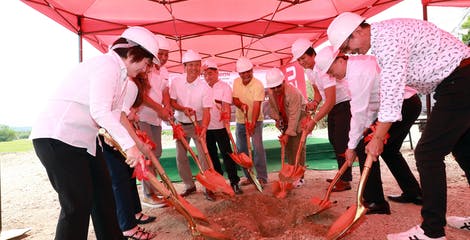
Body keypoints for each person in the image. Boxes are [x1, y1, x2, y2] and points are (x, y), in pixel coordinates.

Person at [327, 12, 470, 240]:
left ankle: (432, 231)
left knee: (427, 153)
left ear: (357, 32)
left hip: (460, 81)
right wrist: (378, 133)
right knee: (465, 152)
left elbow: (392, 92)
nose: (349, 53)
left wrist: (377, 137)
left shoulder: (387, 39)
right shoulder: (386, 35)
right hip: (460, 80)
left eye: (347, 46)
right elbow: (389, 89)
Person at [30, 26, 159, 240]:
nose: (147, 71)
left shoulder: (122, 77)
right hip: (58, 138)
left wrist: (137, 144)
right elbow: (100, 111)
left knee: (103, 198)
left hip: (85, 142)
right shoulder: (106, 66)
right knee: (77, 206)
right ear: (135, 53)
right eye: (147, 64)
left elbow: (117, 114)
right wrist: (130, 146)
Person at [315, 46, 423, 215]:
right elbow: (370, 108)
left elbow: (358, 112)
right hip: (405, 104)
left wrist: (351, 146)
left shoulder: (358, 72)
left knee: (365, 146)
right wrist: (362, 132)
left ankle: (375, 201)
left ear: (341, 59)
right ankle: (413, 193)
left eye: (331, 69)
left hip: (404, 104)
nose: (331, 75)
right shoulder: (354, 71)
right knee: (389, 150)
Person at [291, 38, 352, 192]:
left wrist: (314, 120)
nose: (302, 63)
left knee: (340, 140)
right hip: (332, 106)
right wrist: (314, 104)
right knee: (334, 139)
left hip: (344, 103)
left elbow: (330, 100)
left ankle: (345, 180)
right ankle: (341, 175)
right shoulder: (309, 72)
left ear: (312, 54)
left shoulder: (322, 67)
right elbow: (319, 94)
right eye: (299, 60)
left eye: (303, 58)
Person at [102, 70, 156, 239]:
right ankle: (128, 227)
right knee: (120, 181)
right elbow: (121, 116)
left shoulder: (131, 83)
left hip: (119, 135)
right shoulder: (131, 85)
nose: (149, 69)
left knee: (129, 177)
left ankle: (135, 213)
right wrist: (136, 144)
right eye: (148, 65)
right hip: (113, 138)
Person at [169, 50, 215, 200]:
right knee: (180, 156)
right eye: (191, 65)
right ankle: (189, 185)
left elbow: (207, 111)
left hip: (198, 124)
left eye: (197, 65)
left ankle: (209, 188)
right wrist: (182, 109)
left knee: (203, 156)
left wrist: (204, 129)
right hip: (180, 123)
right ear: (184, 66)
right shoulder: (176, 82)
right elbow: (172, 102)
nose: (194, 68)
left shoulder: (205, 87)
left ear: (200, 67)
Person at [137, 35, 172, 208]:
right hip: (143, 116)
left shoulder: (164, 71)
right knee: (147, 154)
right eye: (161, 54)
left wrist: (166, 106)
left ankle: (155, 187)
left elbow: (165, 90)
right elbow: (142, 95)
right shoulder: (146, 68)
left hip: (156, 119)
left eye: (167, 54)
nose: (164, 58)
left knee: (156, 154)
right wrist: (160, 109)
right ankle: (148, 194)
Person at [202, 59, 243, 194]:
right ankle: (219, 183)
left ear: (217, 73)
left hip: (221, 128)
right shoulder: (202, 87)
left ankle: (234, 181)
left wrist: (226, 123)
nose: (208, 76)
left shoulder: (225, 86)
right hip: (206, 128)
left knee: (227, 155)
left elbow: (226, 107)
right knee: (212, 157)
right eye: (206, 74)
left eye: (211, 73)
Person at [265, 67, 307, 187]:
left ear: (284, 82)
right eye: (273, 87)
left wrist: (288, 134)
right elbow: (273, 108)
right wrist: (277, 120)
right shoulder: (271, 93)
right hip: (286, 120)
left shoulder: (293, 93)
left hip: (299, 120)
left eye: (278, 86)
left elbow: (294, 116)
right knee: (288, 150)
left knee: (298, 148)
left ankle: (299, 177)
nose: (276, 89)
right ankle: (290, 174)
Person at [232, 56, 268, 185]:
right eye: (243, 72)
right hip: (240, 121)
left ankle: (262, 177)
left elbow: (257, 105)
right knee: (241, 149)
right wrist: (241, 105)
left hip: (256, 121)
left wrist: (252, 123)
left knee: (258, 148)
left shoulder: (258, 84)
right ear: (239, 73)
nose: (246, 74)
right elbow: (234, 99)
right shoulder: (236, 82)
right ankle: (249, 176)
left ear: (252, 70)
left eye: (249, 71)